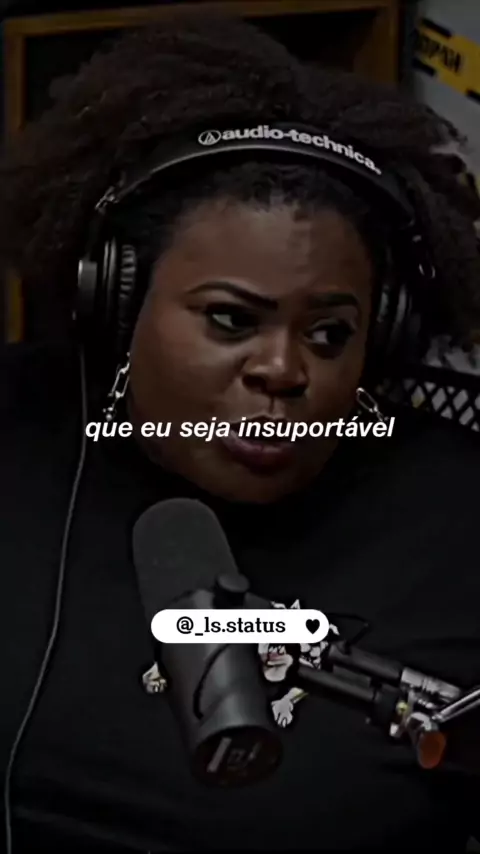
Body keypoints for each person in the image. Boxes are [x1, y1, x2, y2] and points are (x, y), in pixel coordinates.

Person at [1, 12, 480, 853]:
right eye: (231, 319)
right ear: (117, 303)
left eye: (329, 333)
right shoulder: (17, 435)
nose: (284, 370)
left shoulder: (457, 517)